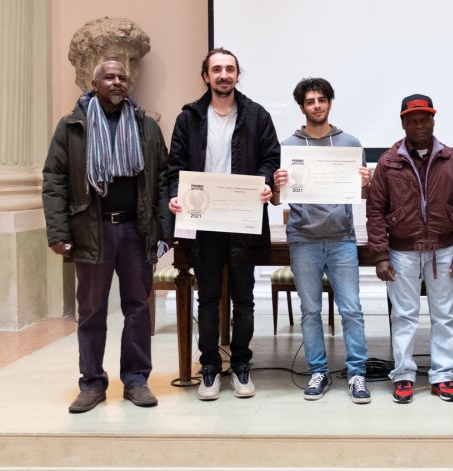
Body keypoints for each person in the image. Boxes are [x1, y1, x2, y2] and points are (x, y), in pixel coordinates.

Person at [42, 60, 171, 413]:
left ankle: (136, 380)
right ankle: (92, 384)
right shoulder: (72, 126)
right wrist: (58, 230)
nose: (117, 82)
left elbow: (162, 179)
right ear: (95, 82)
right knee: (91, 311)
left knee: (138, 309)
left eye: (122, 77)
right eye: (110, 77)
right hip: (91, 229)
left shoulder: (146, 125)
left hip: (136, 230)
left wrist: (164, 229)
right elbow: (54, 179)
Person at [167, 48, 280, 401]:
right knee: (208, 299)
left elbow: (271, 158)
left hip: (243, 220)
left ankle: (242, 364)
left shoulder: (257, 116)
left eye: (230, 69)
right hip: (203, 222)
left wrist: (265, 182)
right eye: (217, 69)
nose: (224, 74)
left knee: (244, 300)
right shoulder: (189, 118)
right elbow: (175, 167)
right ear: (206, 76)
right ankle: (210, 367)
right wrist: (174, 196)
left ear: (237, 75)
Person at [366, 94, 453, 404]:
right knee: (404, 316)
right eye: (412, 120)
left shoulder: (450, 159)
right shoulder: (388, 162)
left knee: (445, 315)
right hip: (402, 252)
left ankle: (443, 375)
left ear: (433, 121)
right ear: (403, 124)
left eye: (425, 119)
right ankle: (403, 375)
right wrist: (381, 255)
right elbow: (375, 211)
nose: (419, 125)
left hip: (444, 249)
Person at [272, 78, 372, 404]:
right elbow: (276, 199)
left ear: (330, 102)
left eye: (321, 100)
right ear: (302, 107)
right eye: (310, 101)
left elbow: (364, 195)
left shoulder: (349, 143)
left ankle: (357, 374)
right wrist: (277, 185)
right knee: (310, 311)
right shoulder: (288, 146)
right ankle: (318, 371)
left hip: (342, 238)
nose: (316, 105)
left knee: (352, 309)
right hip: (303, 239)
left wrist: (366, 183)